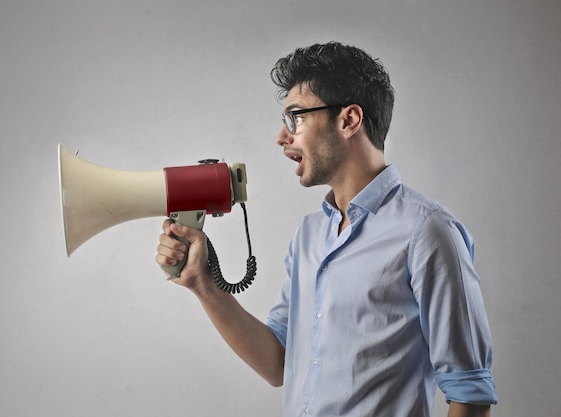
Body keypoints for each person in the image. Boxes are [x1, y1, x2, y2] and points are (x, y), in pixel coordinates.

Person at [155, 42, 498, 417]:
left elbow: (469, 391)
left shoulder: (427, 231)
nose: (282, 137)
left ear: (349, 120)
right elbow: (276, 364)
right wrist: (202, 284)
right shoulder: (309, 234)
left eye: (295, 118)